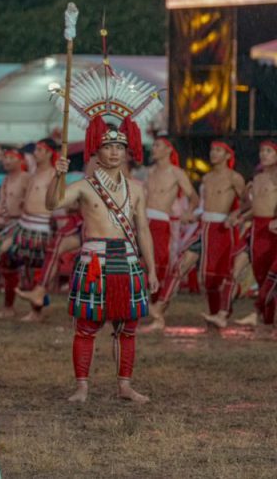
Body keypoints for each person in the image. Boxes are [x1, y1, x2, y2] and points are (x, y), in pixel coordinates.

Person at [47, 124, 158, 404]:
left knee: (128, 328)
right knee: (86, 326)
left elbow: (143, 229)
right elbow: (53, 203)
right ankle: (82, 387)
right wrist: (57, 175)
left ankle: (125, 386)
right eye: (108, 147)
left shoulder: (136, 188)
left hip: (128, 259)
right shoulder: (84, 187)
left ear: (126, 152)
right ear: (96, 153)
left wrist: (152, 268)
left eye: (119, 147)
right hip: (94, 260)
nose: (114, 153)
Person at [151, 141, 245, 330]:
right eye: (212, 150)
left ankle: (219, 315)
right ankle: (160, 308)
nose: (213, 153)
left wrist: (235, 215)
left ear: (228, 155)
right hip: (204, 228)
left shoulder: (235, 178)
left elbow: (247, 203)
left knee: (217, 277)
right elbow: (203, 205)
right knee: (181, 265)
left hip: (223, 231)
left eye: (218, 150)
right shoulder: (207, 178)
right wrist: (192, 215)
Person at [142, 137, 198, 307]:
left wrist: (188, 212)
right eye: (153, 145)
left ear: (168, 149)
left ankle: (157, 303)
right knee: (142, 261)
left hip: (161, 220)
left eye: (157, 145)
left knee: (160, 263)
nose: (153, 149)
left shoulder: (176, 173)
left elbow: (193, 196)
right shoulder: (150, 172)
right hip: (145, 220)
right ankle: (146, 302)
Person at [8, 141, 58, 322]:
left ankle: (38, 311)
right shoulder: (34, 173)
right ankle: (35, 309)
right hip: (25, 224)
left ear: (49, 153)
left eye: (39, 150)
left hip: (41, 227)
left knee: (38, 270)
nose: (36, 153)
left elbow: (56, 202)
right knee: (27, 270)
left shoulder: (54, 175)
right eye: (36, 150)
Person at [233, 140, 277, 328]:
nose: (264, 154)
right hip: (258, 228)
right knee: (260, 275)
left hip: (272, 228)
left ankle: (256, 312)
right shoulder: (257, 178)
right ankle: (267, 319)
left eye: (269, 151)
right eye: (262, 151)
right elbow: (258, 206)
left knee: (272, 276)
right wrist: (243, 217)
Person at [0, 149, 28, 318]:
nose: (6, 160)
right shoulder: (5, 180)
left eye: (11, 157)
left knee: (30, 268)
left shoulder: (27, 178)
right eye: (5, 157)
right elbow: (1, 204)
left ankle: (36, 308)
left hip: (24, 225)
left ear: (20, 160)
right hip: (7, 225)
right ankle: (9, 306)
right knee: (7, 267)